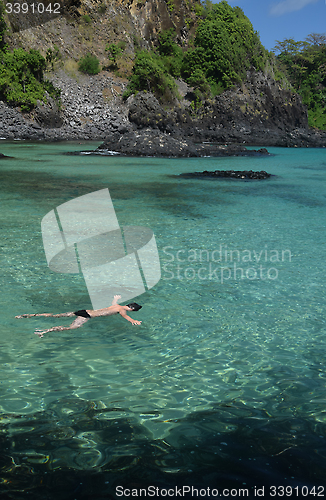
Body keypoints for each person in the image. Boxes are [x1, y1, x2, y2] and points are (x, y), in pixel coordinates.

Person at [15, 295, 142, 338]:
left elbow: (113, 303)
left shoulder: (117, 305)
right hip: (87, 316)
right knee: (72, 328)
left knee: (55, 315)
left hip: (83, 310)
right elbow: (126, 317)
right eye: (133, 311)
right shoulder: (122, 310)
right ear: (131, 309)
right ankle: (45, 331)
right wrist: (134, 320)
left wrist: (115, 298)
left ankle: (27, 315)